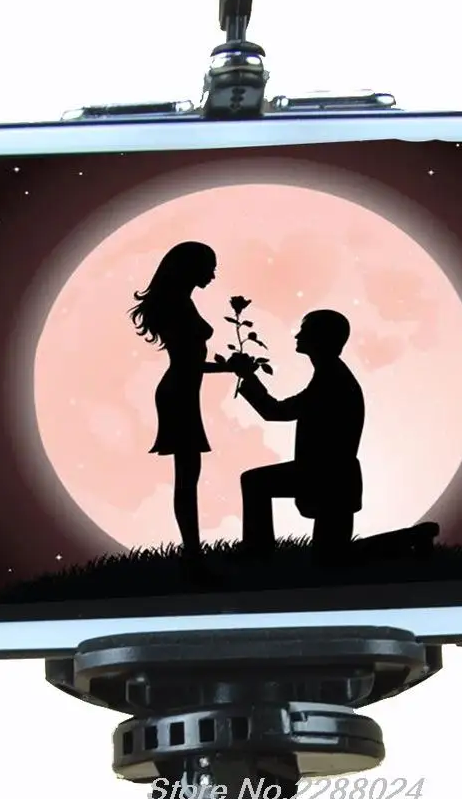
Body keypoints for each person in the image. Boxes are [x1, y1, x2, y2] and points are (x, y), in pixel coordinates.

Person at [128, 241, 245, 562]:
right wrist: (229, 367)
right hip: (178, 393)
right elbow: (186, 363)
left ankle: (192, 550)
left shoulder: (181, 301)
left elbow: (189, 363)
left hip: (181, 391)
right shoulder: (177, 304)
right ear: (191, 268)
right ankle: (192, 553)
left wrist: (227, 367)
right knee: (187, 476)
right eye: (209, 267)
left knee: (188, 474)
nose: (213, 275)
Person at [232, 309, 364, 557]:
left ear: (321, 338)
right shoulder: (331, 375)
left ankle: (257, 551)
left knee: (255, 482)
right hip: (334, 479)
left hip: (327, 478)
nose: (297, 335)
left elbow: (276, 411)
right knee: (331, 556)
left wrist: (248, 377)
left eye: (305, 330)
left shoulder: (330, 380)